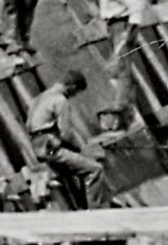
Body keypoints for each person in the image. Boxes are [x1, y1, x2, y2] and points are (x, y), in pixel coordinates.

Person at [26, 70, 109, 209]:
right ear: (72, 87)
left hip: (38, 146)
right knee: (95, 169)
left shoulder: (40, 97)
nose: (74, 96)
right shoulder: (60, 100)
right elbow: (66, 133)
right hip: (51, 150)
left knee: (82, 166)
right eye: (76, 93)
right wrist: (81, 148)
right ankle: (95, 212)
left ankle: (84, 207)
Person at [97, 0, 149, 120]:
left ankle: (121, 104)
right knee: (117, 66)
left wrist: (130, 30)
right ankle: (123, 101)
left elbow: (137, 5)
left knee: (122, 67)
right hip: (112, 24)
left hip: (122, 24)